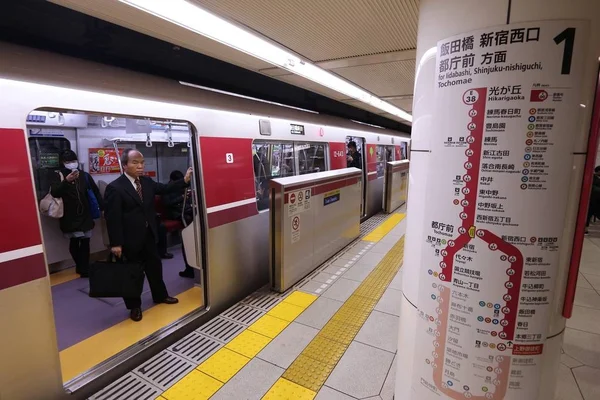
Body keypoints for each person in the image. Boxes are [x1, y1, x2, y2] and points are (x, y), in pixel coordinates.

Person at [104, 149, 192, 321]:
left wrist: (184, 180)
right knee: (132, 274)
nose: (140, 166)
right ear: (124, 165)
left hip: (149, 235)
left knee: (155, 268)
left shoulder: (147, 182)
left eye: (142, 163)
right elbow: (112, 218)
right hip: (129, 240)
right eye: (135, 163)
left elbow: (165, 189)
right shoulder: (115, 188)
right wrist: (116, 243)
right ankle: (134, 306)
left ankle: (160, 295)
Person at [51, 150, 103, 278]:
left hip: (85, 213)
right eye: (68, 162)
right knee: (75, 241)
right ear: (63, 163)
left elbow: (95, 192)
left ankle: (84, 267)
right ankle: (81, 267)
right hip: (69, 215)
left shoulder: (84, 175)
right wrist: (67, 181)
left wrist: (102, 207)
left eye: (73, 161)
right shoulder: (58, 175)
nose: (71, 164)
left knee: (86, 241)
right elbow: (55, 193)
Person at [161, 170, 194, 278]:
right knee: (189, 219)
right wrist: (182, 198)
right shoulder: (168, 188)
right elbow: (167, 203)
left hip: (183, 209)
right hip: (174, 212)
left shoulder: (181, 187)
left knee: (195, 216)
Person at [585, 166, 600, 234]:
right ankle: (585, 228)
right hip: (592, 200)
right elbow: (592, 187)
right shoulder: (593, 178)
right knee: (588, 214)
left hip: (597, 200)